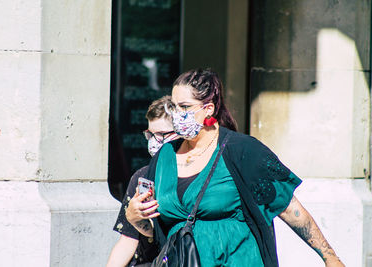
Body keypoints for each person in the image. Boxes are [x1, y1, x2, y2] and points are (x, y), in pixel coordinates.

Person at [126, 69, 345, 267]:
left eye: (184, 107)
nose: (176, 114)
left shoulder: (242, 150)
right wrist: (136, 218)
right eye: (174, 107)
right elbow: (160, 235)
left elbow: (289, 208)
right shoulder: (164, 157)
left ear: (208, 109)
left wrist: (329, 257)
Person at [106, 96, 178, 267]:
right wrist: (135, 218)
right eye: (150, 134)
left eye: (161, 135)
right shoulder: (142, 177)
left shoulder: (193, 175)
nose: (154, 142)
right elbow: (127, 240)